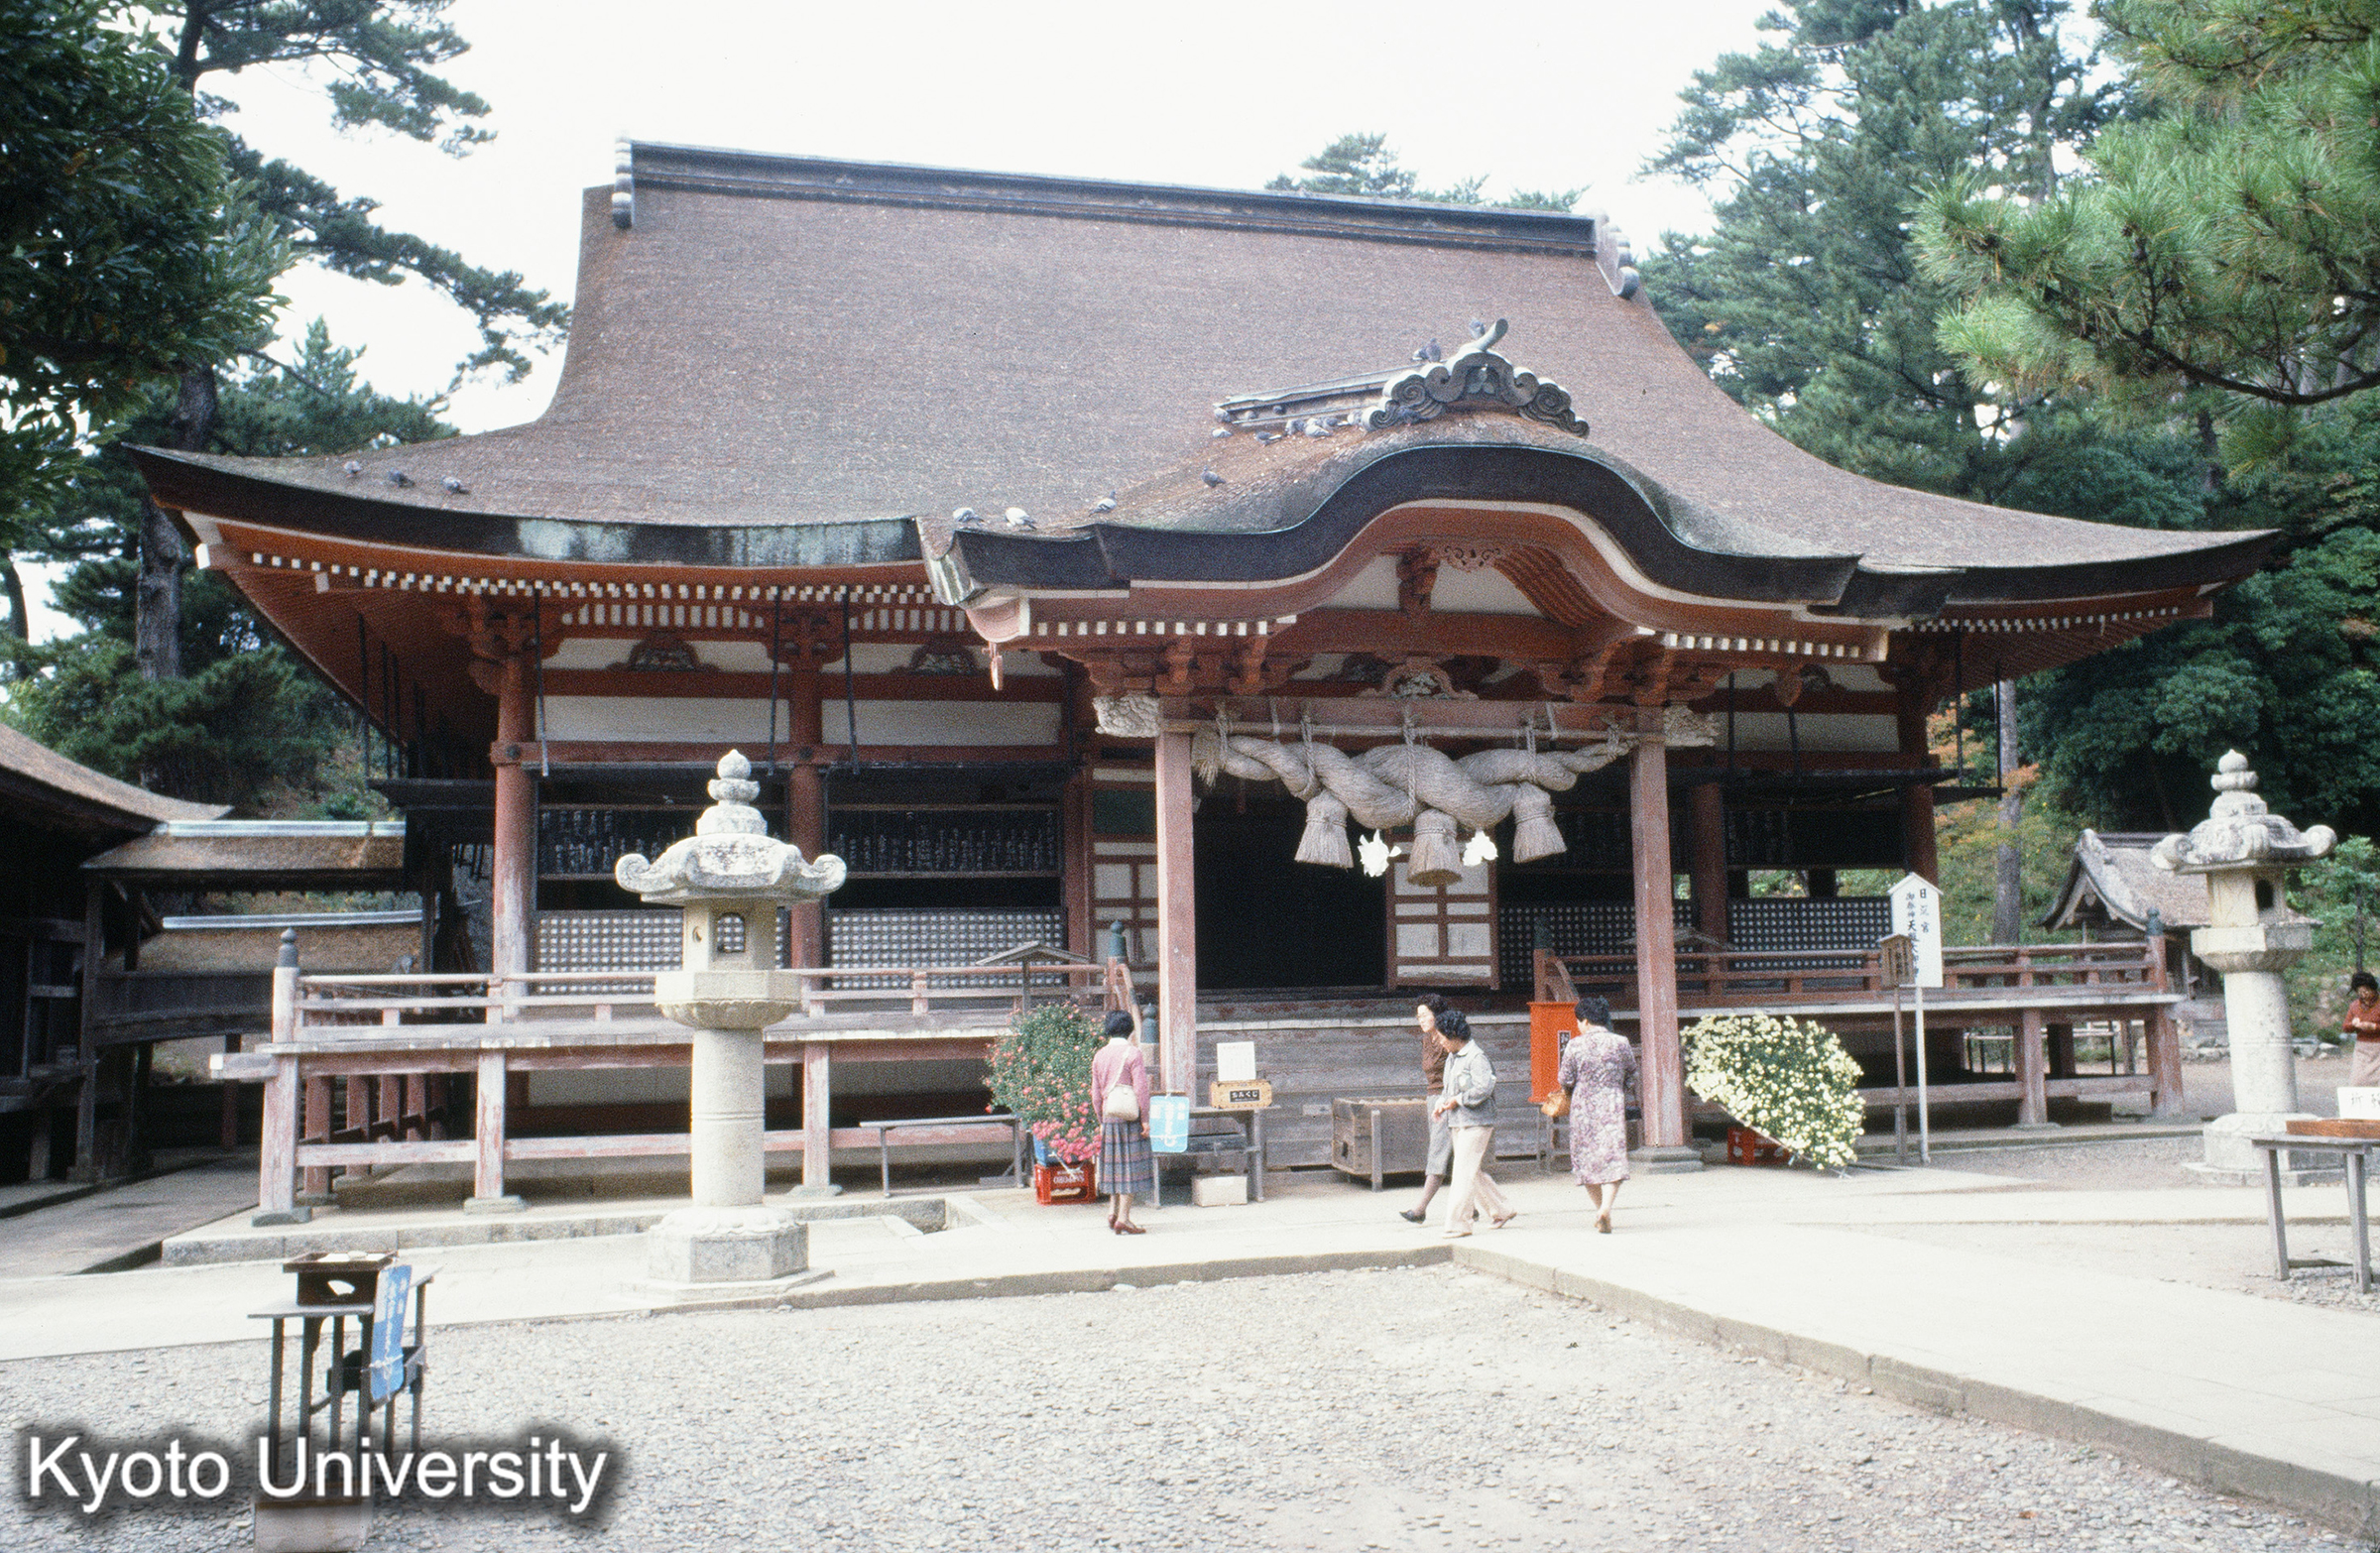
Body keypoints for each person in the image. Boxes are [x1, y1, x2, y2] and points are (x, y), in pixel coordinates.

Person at [1558, 995, 1638, 1234]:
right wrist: (1617, 1087)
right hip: (1612, 1104)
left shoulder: (1575, 1045)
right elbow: (1632, 1075)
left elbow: (1565, 1079)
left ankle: (1600, 1210)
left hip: (1584, 1108)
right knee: (1613, 1158)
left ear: (1584, 1021)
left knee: (1586, 1160)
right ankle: (1606, 1207)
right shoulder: (1621, 1042)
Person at [1432, 1011, 1516, 1239]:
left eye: (1441, 1037)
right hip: (1459, 1122)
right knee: (1471, 1171)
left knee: (1462, 1173)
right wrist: (1442, 1102)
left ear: (1452, 1035)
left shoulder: (1476, 1057)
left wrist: (1457, 1100)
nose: (1438, 1041)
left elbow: (1483, 1089)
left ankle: (1459, 1224)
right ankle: (1501, 1209)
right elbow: (1448, 1088)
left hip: (1477, 1123)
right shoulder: (1453, 1056)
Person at [1090, 1009, 1152, 1234]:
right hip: (1129, 1117)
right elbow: (1141, 1090)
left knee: (1114, 1167)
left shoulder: (1099, 1055)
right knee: (1130, 1168)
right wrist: (1145, 1119)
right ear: (1130, 1030)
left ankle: (1112, 1211)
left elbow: (1095, 1094)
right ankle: (1124, 1219)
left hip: (1109, 1116)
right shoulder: (1133, 1054)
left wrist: (1101, 1118)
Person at [1400, 994, 1454, 1224]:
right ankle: (1471, 1206)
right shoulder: (1426, 1039)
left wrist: (1448, 1100)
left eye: (1424, 1015)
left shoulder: (1447, 1038)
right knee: (1457, 1156)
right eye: (1418, 1016)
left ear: (1436, 1016)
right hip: (1433, 1097)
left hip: (1447, 1099)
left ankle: (1420, 1209)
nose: (1420, 1019)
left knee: (1438, 1153)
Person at [2344, 972, 2380, 1089]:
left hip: (2378, 1047)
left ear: (2373, 989)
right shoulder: (2355, 1005)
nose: (2364, 995)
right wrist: (2354, 1025)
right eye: (2360, 993)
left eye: (2366, 991)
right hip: (2362, 1049)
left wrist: (2374, 1027)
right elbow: (2346, 1027)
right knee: (2357, 1082)